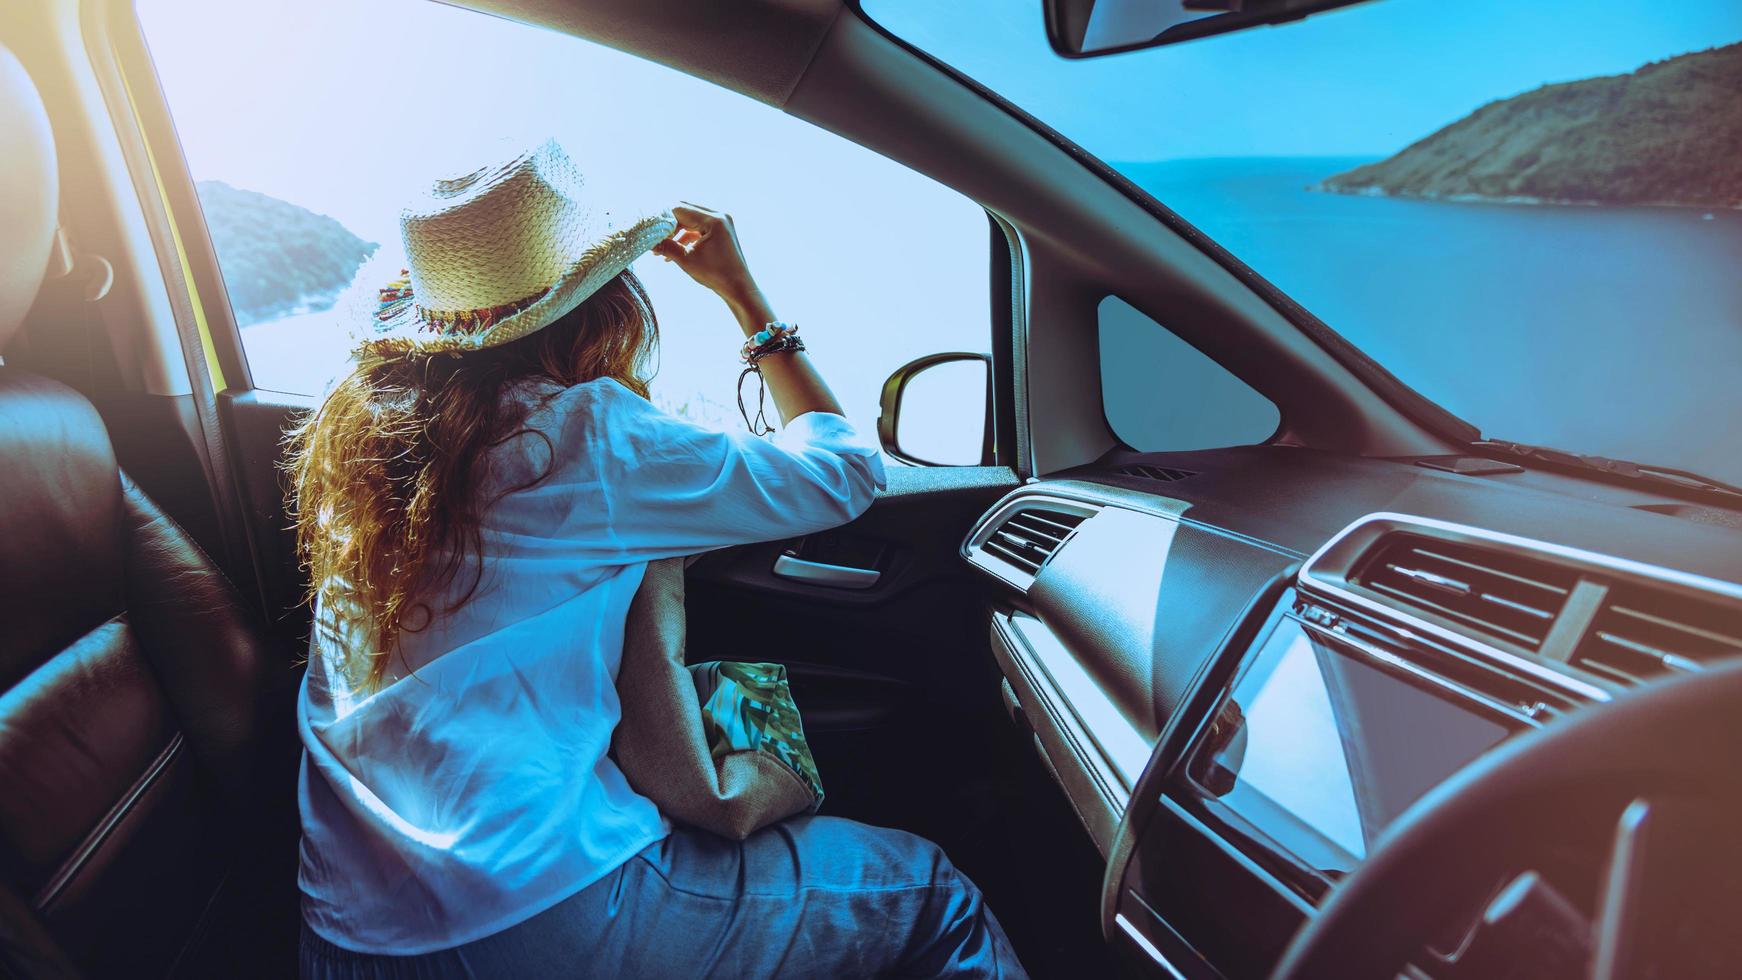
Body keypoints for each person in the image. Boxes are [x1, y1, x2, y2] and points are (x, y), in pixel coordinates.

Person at [287, 140, 1026, 978]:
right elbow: (844, 475)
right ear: (599, 304)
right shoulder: (579, 434)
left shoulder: (361, 466)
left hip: (342, 936)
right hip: (537, 912)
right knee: (931, 895)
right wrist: (743, 296)